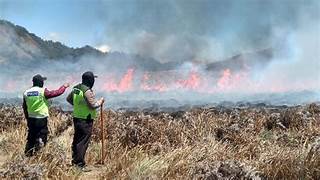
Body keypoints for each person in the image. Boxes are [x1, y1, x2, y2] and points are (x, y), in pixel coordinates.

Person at [23, 74, 69, 156]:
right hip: (41, 119)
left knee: (31, 137)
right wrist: (64, 87)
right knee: (42, 135)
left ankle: (28, 154)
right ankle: (39, 154)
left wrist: (27, 118)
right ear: (40, 82)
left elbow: (25, 107)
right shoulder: (42, 91)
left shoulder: (26, 92)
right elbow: (56, 93)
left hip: (31, 118)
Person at [66, 71, 104, 169]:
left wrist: (79, 105)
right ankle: (79, 164)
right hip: (85, 120)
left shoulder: (76, 88)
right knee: (83, 142)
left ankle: (75, 161)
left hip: (77, 117)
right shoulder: (87, 91)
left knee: (77, 140)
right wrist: (101, 101)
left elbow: (69, 99)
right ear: (90, 80)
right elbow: (93, 105)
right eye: (93, 79)